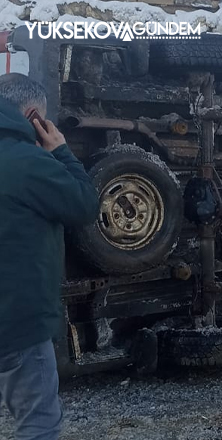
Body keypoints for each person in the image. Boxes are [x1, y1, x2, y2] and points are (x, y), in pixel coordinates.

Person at [0, 73, 99, 439]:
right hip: (16, 322)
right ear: (33, 120)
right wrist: (60, 151)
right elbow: (84, 204)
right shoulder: (26, 161)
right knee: (38, 423)